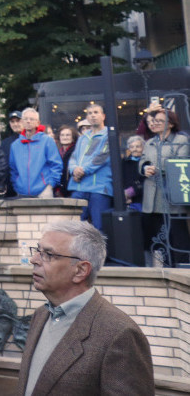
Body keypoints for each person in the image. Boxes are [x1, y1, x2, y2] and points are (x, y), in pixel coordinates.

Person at [16, 221, 154, 396]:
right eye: (37, 250)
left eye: (48, 254)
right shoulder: (41, 315)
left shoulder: (120, 333)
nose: (34, 260)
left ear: (81, 270)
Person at [139, 104, 190, 265]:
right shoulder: (149, 142)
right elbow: (142, 160)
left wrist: (158, 168)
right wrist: (145, 168)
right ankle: (164, 267)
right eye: (151, 121)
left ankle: (182, 268)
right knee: (158, 238)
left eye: (159, 121)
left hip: (172, 195)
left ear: (171, 123)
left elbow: (180, 161)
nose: (153, 124)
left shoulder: (181, 140)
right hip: (152, 197)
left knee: (178, 235)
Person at [66, 104, 112, 230]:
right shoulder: (82, 138)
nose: (93, 115)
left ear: (103, 116)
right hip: (79, 187)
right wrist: (74, 169)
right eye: (90, 113)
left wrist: (83, 170)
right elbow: (74, 157)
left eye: (96, 112)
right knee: (75, 227)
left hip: (99, 188)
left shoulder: (109, 135)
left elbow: (102, 157)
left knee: (99, 228)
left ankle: (101, 251)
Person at [9, 108, 62, 198]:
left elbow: (56, 165)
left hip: (44, 191)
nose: (28, 121)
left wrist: (50, 185)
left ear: (38, 123)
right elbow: (13, 169)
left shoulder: (47, 141)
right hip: (21, 192)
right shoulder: (15, 145)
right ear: (22, 122)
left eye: (32, 119)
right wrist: (17, 185)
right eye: (26, 119)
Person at [54, 125, 79, 198]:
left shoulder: (76, 150)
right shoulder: (57, 151)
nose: (64, 137)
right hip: (59, 189)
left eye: (68, 135)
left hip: (71, 188)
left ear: (73, 137)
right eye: (62, 135)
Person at [122, 135, 145, 210]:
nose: (135, 149)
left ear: (143, 147)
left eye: (138, 146)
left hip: (143, 200)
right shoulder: (123, 162)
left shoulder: (147, 162)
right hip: (127, 201)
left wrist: (131, 192)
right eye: (132, 147)